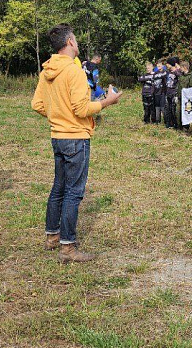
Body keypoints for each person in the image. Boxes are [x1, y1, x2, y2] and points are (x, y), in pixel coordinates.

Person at [32, 24, 121, 262]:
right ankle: (68, 247)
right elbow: (82, 109)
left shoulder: (47, 71)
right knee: (73, 192)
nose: (78, 43)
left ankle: (52, 236)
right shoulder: (74, 72)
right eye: (76, 39)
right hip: (76, 137)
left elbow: (38, 105)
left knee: (58, 188)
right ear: (70, 42)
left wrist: (58, 116)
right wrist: (107, 102)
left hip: (57, 137)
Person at [176, 60, 192, 131]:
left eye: (181, 67)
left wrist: (188, 96)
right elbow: (179, 86)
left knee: (186, 113)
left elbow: (191, 87)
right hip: (179, 97)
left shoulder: (190, 76)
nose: (180, 69)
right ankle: (179, 126)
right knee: (178, 112)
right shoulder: (181, 75)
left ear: (185, 67)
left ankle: (186, 127)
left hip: (186, 98)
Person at [164, 57, 180, 129]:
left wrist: (177, 69)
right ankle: (169, 123)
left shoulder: (177, 72)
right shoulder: (168, 72)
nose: (166, 65)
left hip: (174, 93)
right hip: (168, 92)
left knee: (174, 110)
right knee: (168, 109)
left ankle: (175, 124)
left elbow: (181, 77)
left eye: (168, 63)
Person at [152, 59, 167, 124]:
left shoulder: (165, 72)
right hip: (156, 92)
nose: (159, 66)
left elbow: (165, 76)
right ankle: (158, 121)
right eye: (158, 65)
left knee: (163, 107)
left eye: (160, 65)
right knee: (157, 107)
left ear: (162, 65)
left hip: (163, 92)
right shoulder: (155, 73)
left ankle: (166, 121)